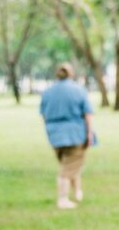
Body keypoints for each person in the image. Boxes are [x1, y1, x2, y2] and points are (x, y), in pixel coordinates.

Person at [40, 63, 95, 210]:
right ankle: (63, 199)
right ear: (71, 73)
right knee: (68, 168)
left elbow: (44, 115)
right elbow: (88, 114)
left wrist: (50, 131)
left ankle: (77, 191)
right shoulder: (78, 90)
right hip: (75, 134)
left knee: (69, 165)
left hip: (55, 135)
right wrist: (90, 133)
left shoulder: (48, 92)